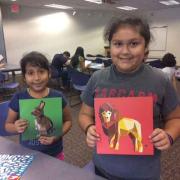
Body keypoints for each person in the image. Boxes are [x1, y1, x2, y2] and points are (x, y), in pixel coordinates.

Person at [78, 16, 180, 179]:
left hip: (144, 172)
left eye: (134, 43)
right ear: (110, 47)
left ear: (145, 48)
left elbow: (175, 118)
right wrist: (89, 128)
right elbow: (84, 114)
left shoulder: (160, 79)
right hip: (103, 169)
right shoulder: (97, 78)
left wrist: (168, 135)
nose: (125, 51)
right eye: (118, 44)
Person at [5, 51, 72, 160]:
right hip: (27, 153)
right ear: (24, 77)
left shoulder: (58, 96)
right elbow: (7, 125)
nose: (37, 78)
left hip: (54, 153)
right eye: (30, 73)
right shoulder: (19, 97)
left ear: (49, 73)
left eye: (41, 72)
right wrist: (16, 127)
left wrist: (57, 136)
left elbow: (68, 121)